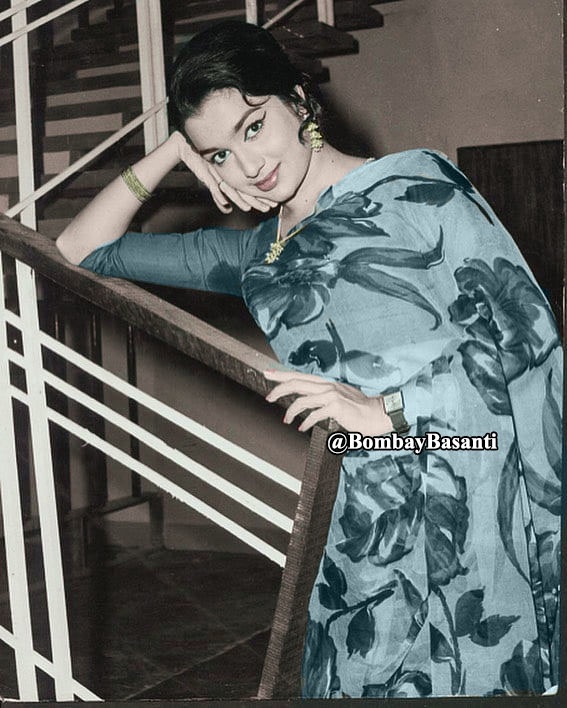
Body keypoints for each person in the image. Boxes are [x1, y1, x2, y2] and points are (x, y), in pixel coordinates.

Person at [56, 21, 562, 698]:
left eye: (253, 126)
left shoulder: (418, 185)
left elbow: (528, 340)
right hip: (363, 511)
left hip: (468, 482)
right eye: (220, 154)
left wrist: (391, 408)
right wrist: (176, 148)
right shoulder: (258, 254)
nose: (247, 164)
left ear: (298, 102)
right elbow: (81, 250)